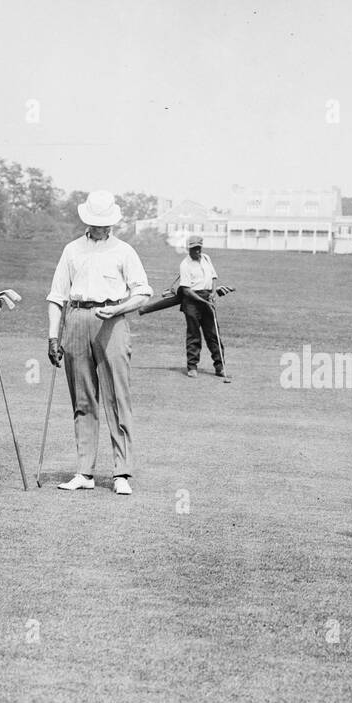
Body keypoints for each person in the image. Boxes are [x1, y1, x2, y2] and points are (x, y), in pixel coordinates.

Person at [46, 191, 152, 495]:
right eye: (96, 223)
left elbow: (142, 292)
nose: (102, 228)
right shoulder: (72, 250)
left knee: (117, 397)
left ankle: (122, 473)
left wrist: (118, 309)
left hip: (113, 322)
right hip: (77, 320)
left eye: (106, 224)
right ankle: (84, 471)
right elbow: (56, 297)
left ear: (113, 223)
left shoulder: (124, 251)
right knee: (82, 399)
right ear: (86, 222)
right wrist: (54, 337)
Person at [175, 235, 229, 380]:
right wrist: (203, 301)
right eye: (194, 249)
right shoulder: (185, 264)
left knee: (213, 333)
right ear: (189, 249)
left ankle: (220, 367)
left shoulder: (206, 258)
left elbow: (213, 278)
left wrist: (212, 293)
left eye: (199, 248)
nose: (197, 251)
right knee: (194, 334)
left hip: (207, 298)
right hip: (192, 301)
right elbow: (186, 290)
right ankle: (192, 367)